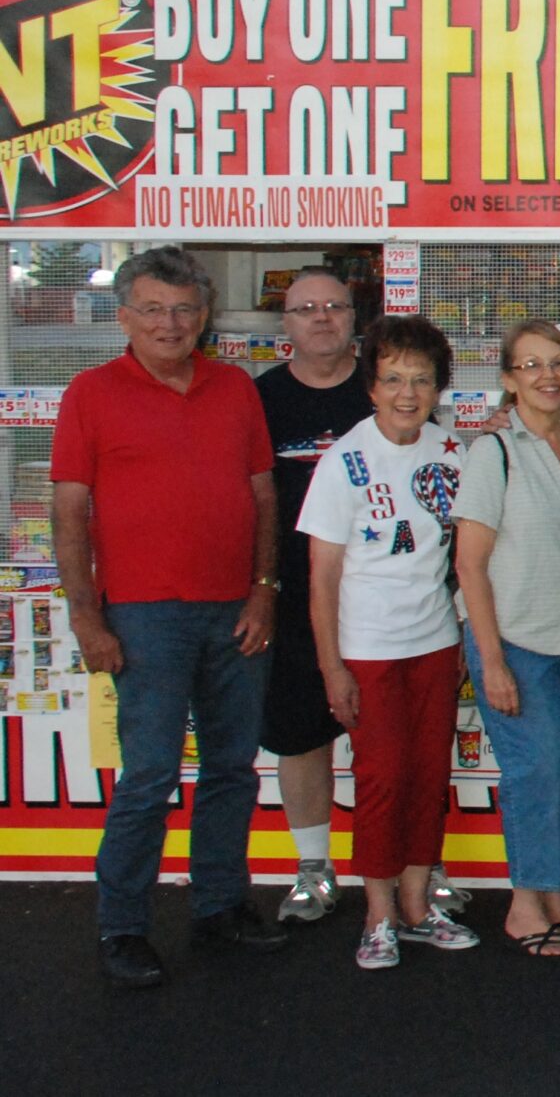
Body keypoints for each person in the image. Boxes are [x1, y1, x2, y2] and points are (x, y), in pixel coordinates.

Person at [58, 247, 288, 987]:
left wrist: (263, 589)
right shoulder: (90, 393)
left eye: (185, 309)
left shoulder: (235, 388)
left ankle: (218, 907)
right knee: (150, 772)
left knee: (231, 768)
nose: (170, 322)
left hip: (234, 611)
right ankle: (122, 926)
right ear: (123, 316)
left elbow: (261, 498)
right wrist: (87, 618)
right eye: (153, 309)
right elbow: (68, 515)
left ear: (204, 317)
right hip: (143, 615)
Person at [303, 315, 477, 970]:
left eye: (422, 380)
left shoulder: (453, 453)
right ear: (371, 386)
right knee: (381, 778)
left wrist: (461, 630)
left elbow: (465, 553)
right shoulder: (342, 461)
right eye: (394, 379)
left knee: (430, 777)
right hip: (367, 649)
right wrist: (332, 667)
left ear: (439, 388)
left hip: (433, 642)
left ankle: (415, 901)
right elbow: (321, 577)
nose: (408, 393)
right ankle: (376, 913)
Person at [453, 320, 560, 957]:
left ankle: (552, 893)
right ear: (508, 379)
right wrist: (490, 661)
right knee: (535, 770)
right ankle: (526, 904)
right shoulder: (492, 452)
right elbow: (469, 564)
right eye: (531, 365)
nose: (548, 376)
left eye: (559, 363)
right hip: (517, 641)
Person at [256, 270, 373, 925]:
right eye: (307, 309)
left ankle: (413, 867)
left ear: (354, 316)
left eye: (335, 306)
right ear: (286, 325)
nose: (322, 318)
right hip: (294, 596)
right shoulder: (261, 398)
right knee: (301, 736)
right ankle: (312, 869)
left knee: (391, 740)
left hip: (385, 597)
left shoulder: (387, 385)